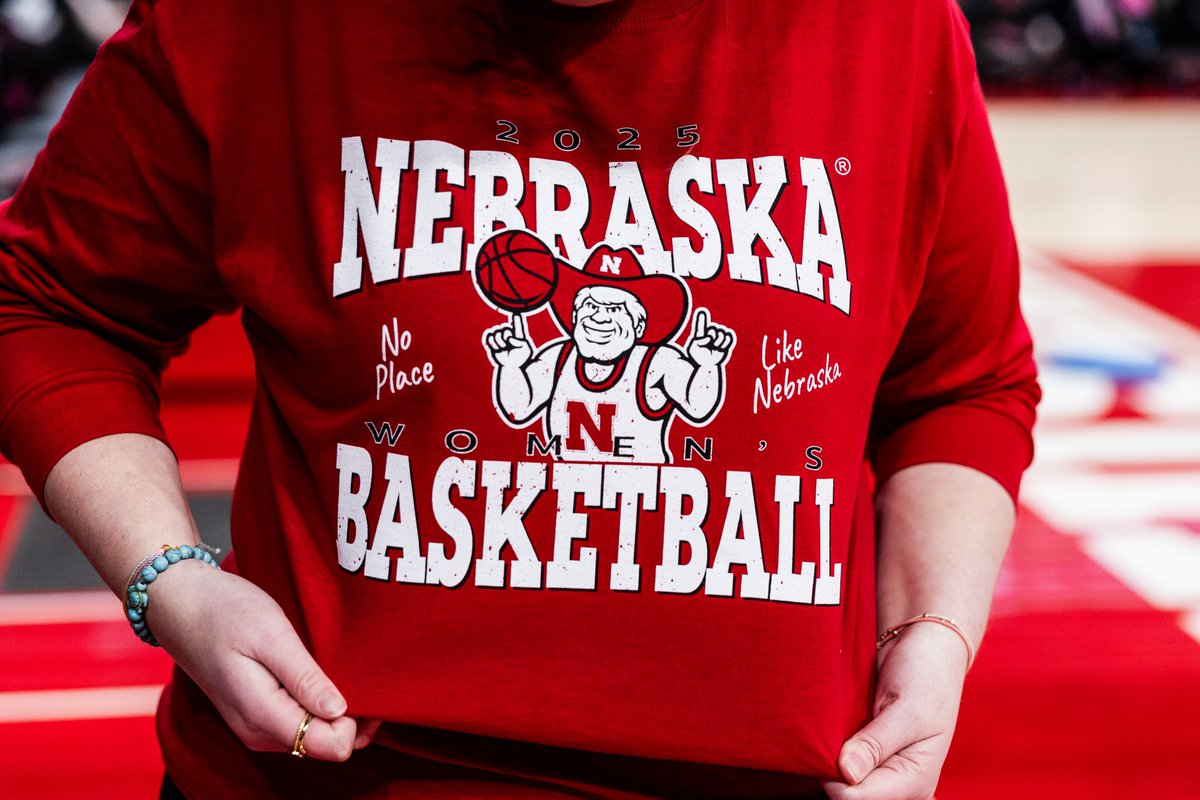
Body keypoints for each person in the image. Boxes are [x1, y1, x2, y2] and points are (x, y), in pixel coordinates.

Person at [0, 0, 1040, 798]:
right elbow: (46, 301)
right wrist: (170, 581)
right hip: (331, 775)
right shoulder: (262, 21)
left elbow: (962, 380)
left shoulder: (887, 28)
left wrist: (934, 632)